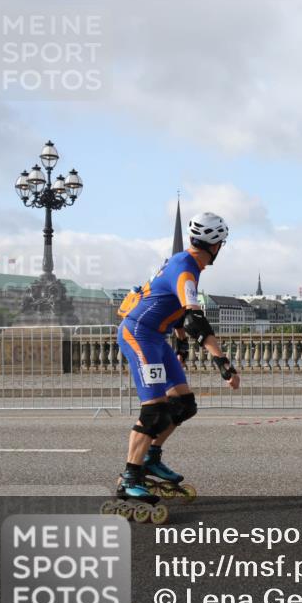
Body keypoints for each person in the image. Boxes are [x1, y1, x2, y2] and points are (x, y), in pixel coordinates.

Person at [115, 212, 240, 504]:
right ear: (215, 245)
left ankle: (151, 458)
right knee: (154, 411)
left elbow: (175, 311)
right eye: (222, 243)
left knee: (183, 405)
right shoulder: (185, 269)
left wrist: (181, 347)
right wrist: (222, 362)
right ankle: (130, 477)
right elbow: (195, 320)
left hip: (156, 337)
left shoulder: (185, 264)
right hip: (140, 335)